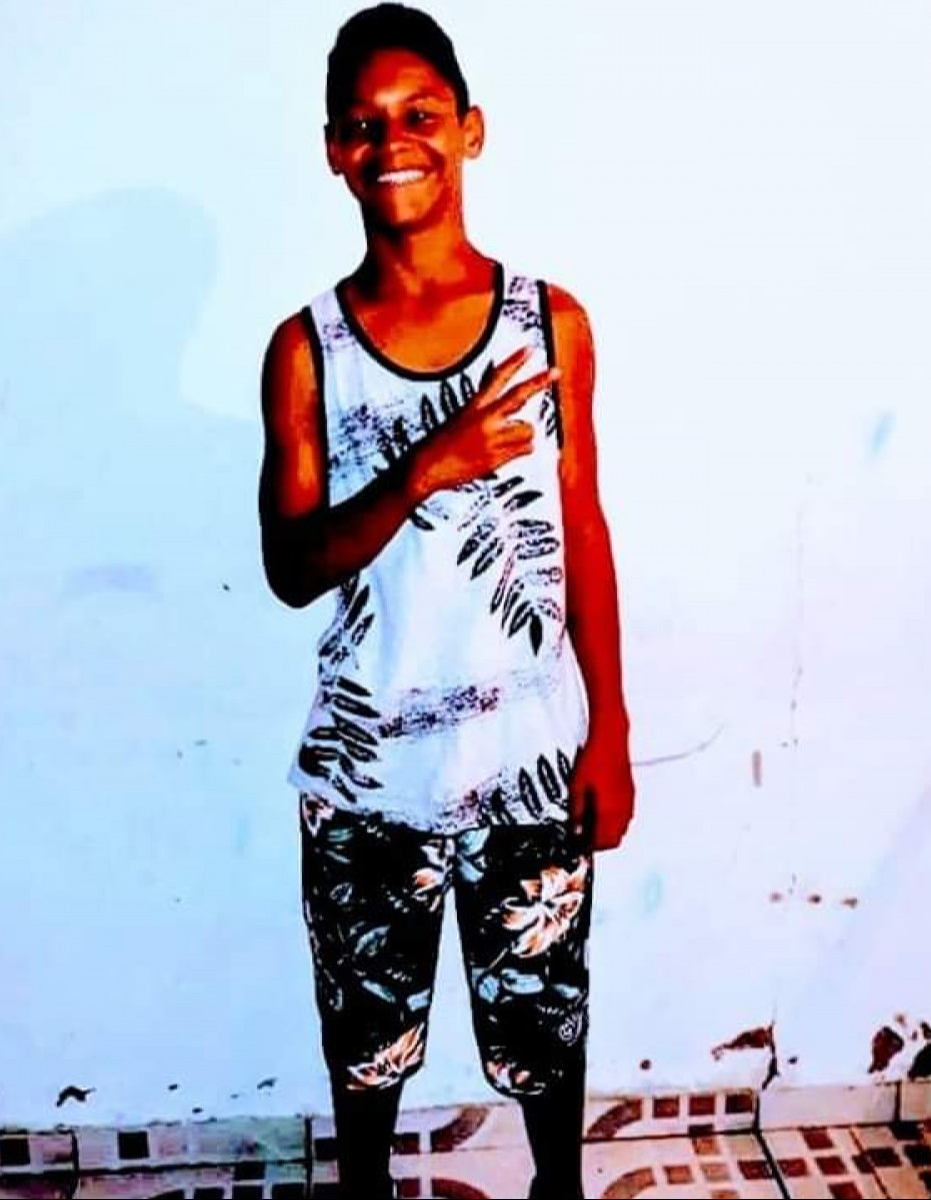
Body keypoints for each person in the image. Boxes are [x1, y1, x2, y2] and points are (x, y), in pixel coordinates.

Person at [259, 6, 635, 1196]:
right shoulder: (307, 350)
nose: (394, 143)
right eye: (364, 125)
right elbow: (292, 567)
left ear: (470, 130)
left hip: (530, 757)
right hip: (370, 780)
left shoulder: (551, 325)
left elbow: (582, 533)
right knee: (367, 1062)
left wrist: (611, 731)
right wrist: (425, 467)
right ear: (335, 151)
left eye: (419, 114)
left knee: (546, 1039)